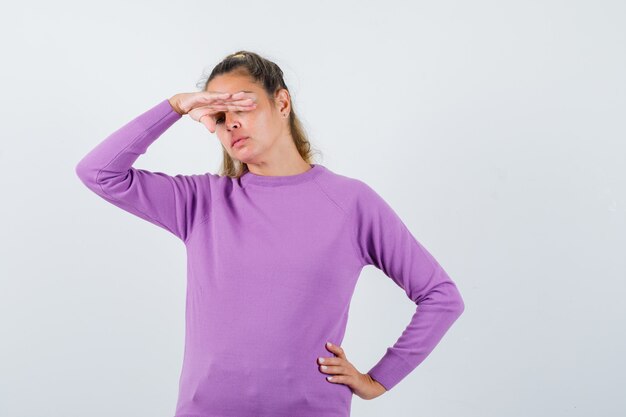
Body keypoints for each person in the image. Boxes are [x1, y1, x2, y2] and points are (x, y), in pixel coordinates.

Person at [75, 50, 465, 417]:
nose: (232, 124)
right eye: (220, 116)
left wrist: (378, 379)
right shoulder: (201, 201)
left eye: (243, 105)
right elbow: (98, 173)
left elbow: (441, 297)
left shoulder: (350, 204)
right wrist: (175, 107)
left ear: (281, 102)